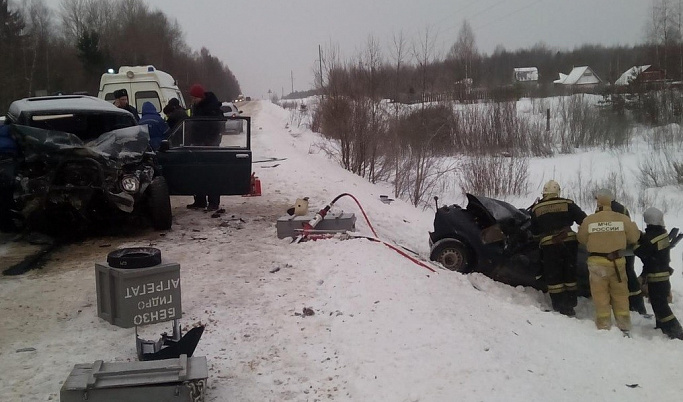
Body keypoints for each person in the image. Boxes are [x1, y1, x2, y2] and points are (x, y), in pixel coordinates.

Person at [577, 191, 640, 335]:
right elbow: (634, 237)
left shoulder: (589, 220)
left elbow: (581, 239)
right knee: (620, 293)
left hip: (596, 264)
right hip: (617, 263)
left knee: (600, 295)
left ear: (598, 203)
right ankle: (624, 323)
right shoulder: (622, 219)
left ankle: (604, 324)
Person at [530, 180, 587, 316]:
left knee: (554, 275)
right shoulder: (568, 204)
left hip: (549, 246)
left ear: (544, 193)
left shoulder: (536, 209)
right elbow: (584, 221)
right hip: (569, 243)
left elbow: (535, 232)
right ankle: (570, 303)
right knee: (569, 271)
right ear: (558, 192)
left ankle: (559, 304)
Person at [594, 188, 648, 315]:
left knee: (626, 274)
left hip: (619, 247)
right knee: (627, 273)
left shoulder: (609, 210)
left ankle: (635, 305)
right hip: (625, 244)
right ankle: (635, 304)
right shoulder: (620, 208)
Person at [634, 207, 683, 340]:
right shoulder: (662, 234)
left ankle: (676, 330)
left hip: (656, 277)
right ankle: (662, 326)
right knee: (658, 303)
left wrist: (634, 244)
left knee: (660, 305)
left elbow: (642, 252)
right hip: (662, 274)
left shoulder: (651, 238)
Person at [185, 83, 223, 211]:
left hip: (210, 145)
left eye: (195, 98)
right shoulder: (196, 107)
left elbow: (217, 126)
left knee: (211, 174)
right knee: (198, 173)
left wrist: (209, 141)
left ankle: (213, 202)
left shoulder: (212, 108)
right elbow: (193, 125)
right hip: (198, 144)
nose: (193, 100)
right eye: (192, 98)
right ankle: (200, 200)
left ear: (201, 96)